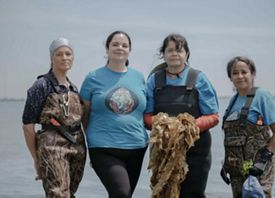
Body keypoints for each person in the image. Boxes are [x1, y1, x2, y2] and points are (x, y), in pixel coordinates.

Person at [144, 33, 219, 198]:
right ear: (163, 54)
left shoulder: (198, 78)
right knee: (164, 191)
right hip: (164, 149)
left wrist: (185, 128)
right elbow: (147, 116)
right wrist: (163, 126)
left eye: (179, 50)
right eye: (169, 50)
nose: (174, 53)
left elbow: (213, 116)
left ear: (187, 54)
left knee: (193, 192)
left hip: (196, 148)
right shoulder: (154, 80)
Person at [80, 30, 148, 198]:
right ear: (107, 48)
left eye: (124, 45)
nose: (120, 48)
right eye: (115, 44)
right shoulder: (93, 77)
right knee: (121, 193)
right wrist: (89, 140)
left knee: (124, 195)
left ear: (129, 50)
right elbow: (84, 113)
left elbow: (145, 110)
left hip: (137, 147)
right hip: (103, 147)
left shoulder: (139, 77)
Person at [22, 37, 87, 197]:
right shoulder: (41, 85)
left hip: (77, 147)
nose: (64, 58)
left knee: (70, 193)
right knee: (57, 194)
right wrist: (37, 158)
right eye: (59, 54)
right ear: (52, 58)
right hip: (52, 147)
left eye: (68, 54)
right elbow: (28, 125)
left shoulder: (74, 88)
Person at [220, 56, 275, 198]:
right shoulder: (233, 100)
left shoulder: (262, 96)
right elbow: (232, 138)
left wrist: (263, 160)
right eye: (235, 73)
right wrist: (226, 165)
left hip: (258, 167)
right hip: (236, 169)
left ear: (253, 73)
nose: (240, 76)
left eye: (244, 72)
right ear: (230, 77)